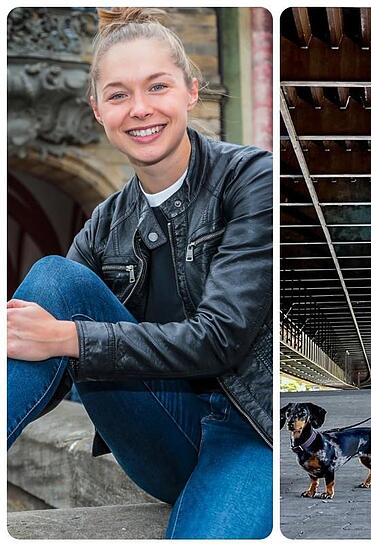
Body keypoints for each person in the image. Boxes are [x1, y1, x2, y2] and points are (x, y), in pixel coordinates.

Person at [6, 8, 273, 538]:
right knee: (54, 279)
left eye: (158, 87)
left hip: (250, 430)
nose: (140, 110)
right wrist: (43, 338)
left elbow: (221, 338)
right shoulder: (104, 224)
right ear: (97, 109)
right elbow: (43, 359)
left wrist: (70, 339)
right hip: (160, 431)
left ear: (191, 91)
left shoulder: (251, 179)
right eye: (119, 94)